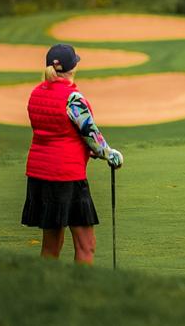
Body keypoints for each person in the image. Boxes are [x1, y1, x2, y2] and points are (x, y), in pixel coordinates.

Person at [22, 43, 124, 265]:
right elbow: (90, 134)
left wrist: (87, 148)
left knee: (51, 246)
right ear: (72, 68)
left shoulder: (36, 94)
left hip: (39, 174)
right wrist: (109, 154)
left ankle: (45, 289)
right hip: (66, 175)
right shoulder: (73, 98)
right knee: (86, 245)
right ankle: (80, 293)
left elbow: (57, 132)